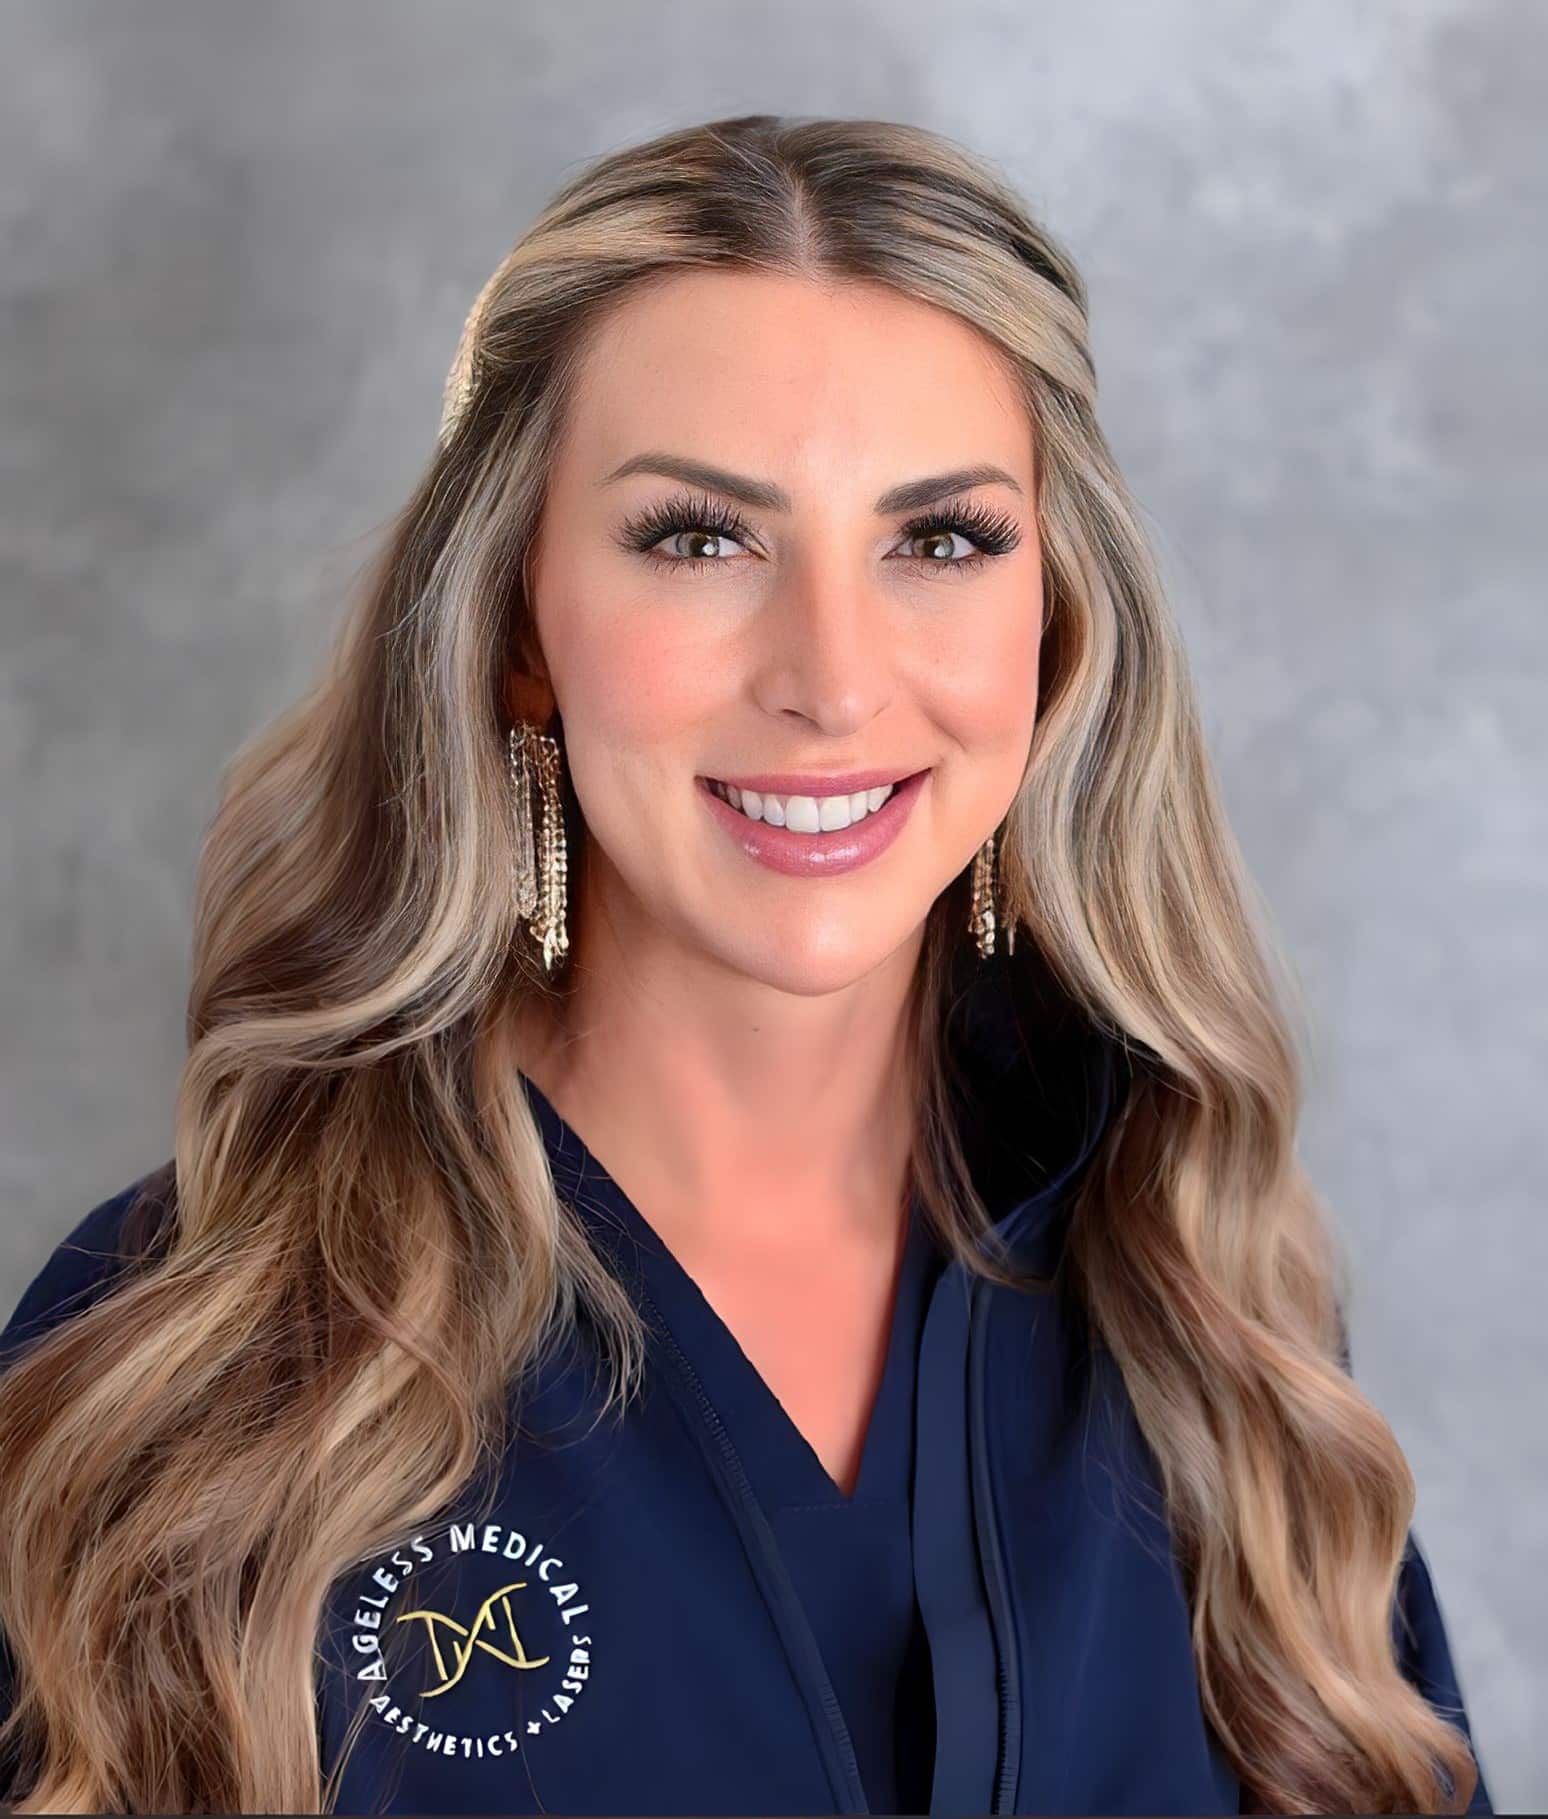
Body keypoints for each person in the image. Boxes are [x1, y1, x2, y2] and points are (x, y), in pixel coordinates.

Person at [0, 113, 1490, 1816]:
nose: (835, 680)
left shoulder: (1205, 1312)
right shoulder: (191, 1365)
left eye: (941, 542)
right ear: (517, 633)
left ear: (1056, 626)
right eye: (700, 539)